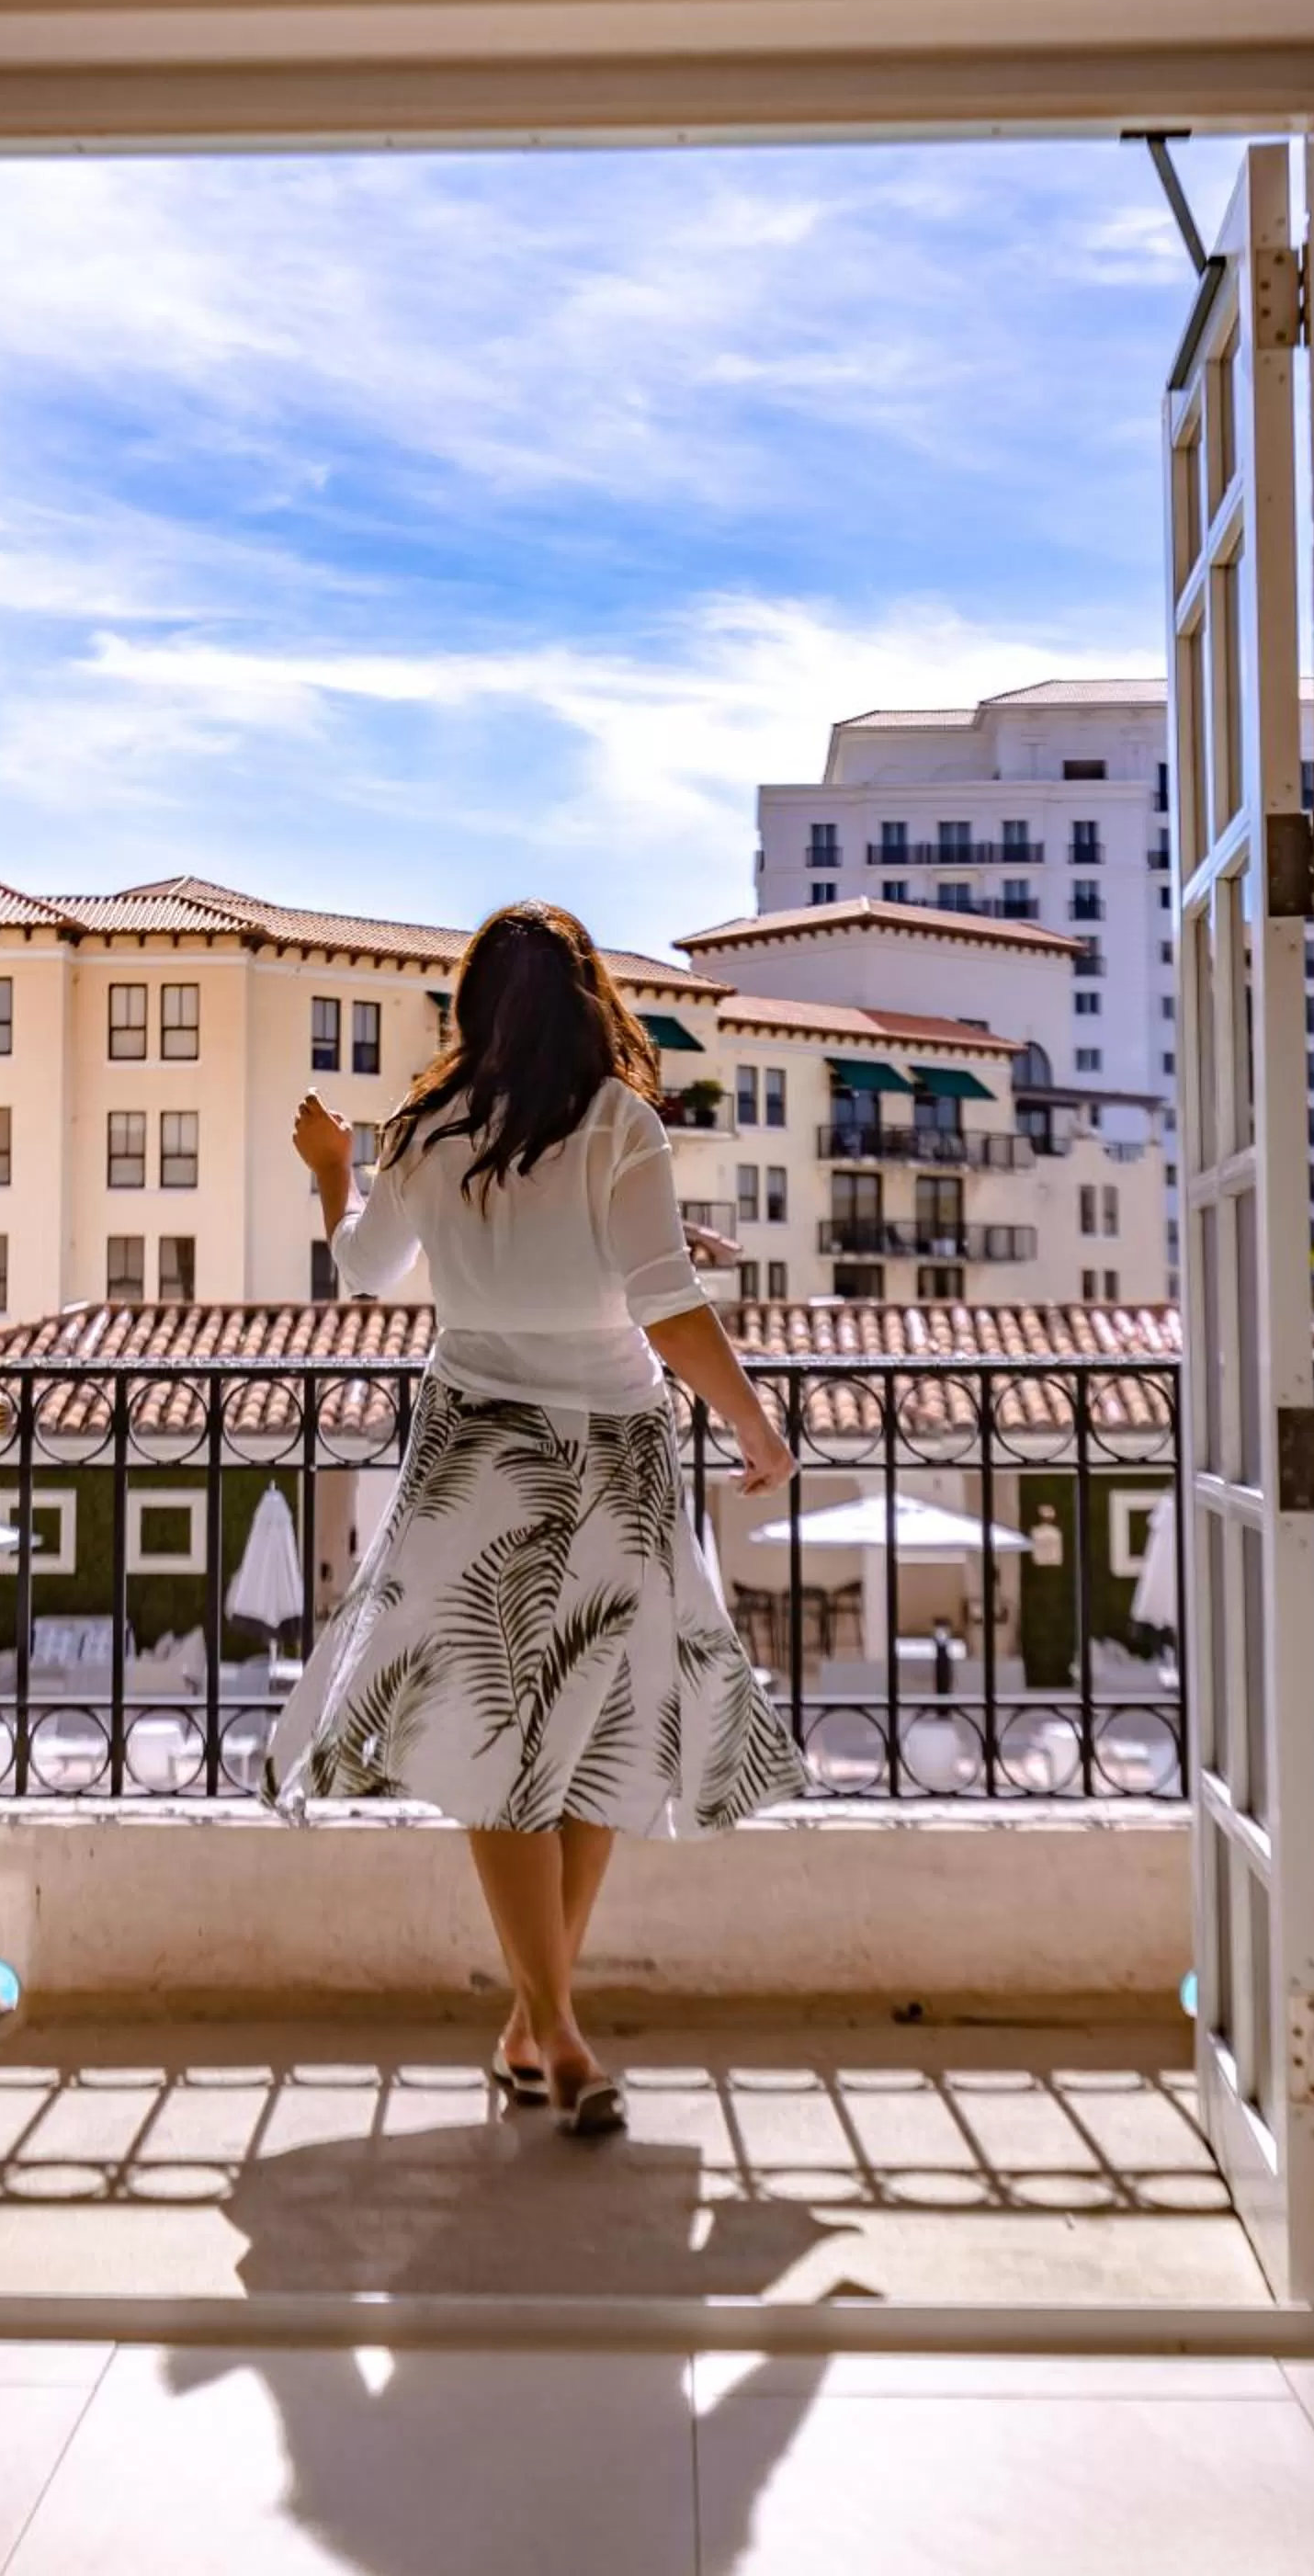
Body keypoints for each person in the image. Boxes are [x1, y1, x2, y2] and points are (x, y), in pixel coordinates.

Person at [266, 900, 805, 2133]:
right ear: (587, 1003)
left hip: (475, 1461)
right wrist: (756, 1428)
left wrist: (333, 1173)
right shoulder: (622, 1124)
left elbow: (363, 1272)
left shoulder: (427, 1127)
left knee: (513, 1739)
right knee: (596, 1733)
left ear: (469, 1011)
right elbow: (658, 1306)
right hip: (613, 1455)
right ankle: (559, 2032)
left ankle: (533, 2023)